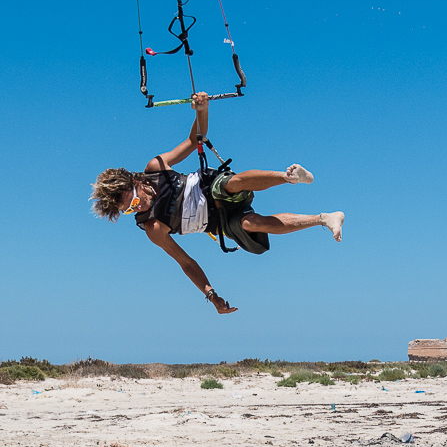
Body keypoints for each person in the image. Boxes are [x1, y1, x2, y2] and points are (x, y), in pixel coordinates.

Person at [90, 92, 345, 314]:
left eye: (134, 201)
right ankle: (324, 218)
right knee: (252, 223)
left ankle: (290, 177)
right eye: (129, 210)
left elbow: (194, 141)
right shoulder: (153, 228)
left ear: (136, 183)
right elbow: (186, 263)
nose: (137, 208)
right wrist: (212, 296)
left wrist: (202, 110)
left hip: (210, 188)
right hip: (217, 222)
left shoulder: (155, 168)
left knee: (230, 184)